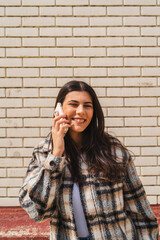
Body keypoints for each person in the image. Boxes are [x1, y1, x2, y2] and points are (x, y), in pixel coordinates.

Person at [19, 80, 159, 240]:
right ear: (59, 109)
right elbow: (37, 211)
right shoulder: (44, 152)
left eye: (87, 105)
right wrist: (56, 154)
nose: (81, 111)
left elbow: (140, 209)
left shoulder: (113, 150)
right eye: (73, 104)